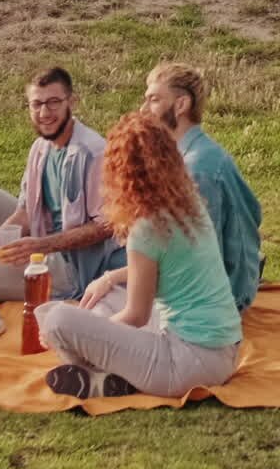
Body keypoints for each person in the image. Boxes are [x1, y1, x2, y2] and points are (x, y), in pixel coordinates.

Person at [40, 112, 242, 399]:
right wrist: (110, 277)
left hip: (185, 364)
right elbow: (166, 269)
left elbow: (136, 315)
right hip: (224, 352)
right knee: (105, 297)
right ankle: (110, 378)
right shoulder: (188, 203)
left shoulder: (146, 229)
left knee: (58, 320)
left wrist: (87, 337)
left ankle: (95, 373)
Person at [0, 67, 125, 301]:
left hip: (74, 268)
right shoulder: (41, 147)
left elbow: (107, 226)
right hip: (41, 239)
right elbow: (25, 212)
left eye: (53, 102)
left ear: (72, 102)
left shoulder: (92, 153)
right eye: (36, 104)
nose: (44, 112)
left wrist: (41, 246)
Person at [141, 62, 262, 311]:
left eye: (154, 100)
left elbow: (197, 260)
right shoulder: (191, 154)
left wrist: (117, 277)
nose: (143, 110)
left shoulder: (197, 169)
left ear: (181, 105)